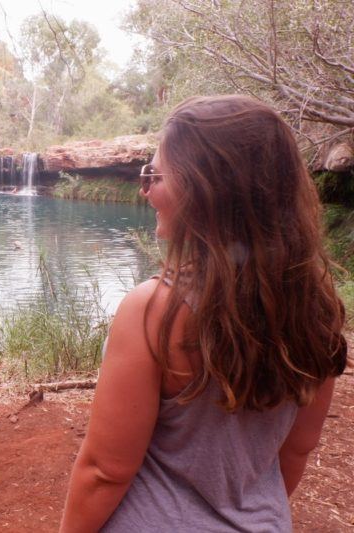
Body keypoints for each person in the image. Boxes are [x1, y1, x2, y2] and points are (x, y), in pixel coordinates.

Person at [60, 95, 348, 532]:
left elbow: (104, 471)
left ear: (205, 188)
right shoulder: (319, 309)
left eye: (155, 175)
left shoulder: (153, 310)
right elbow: (295, 451)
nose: (146, 189)